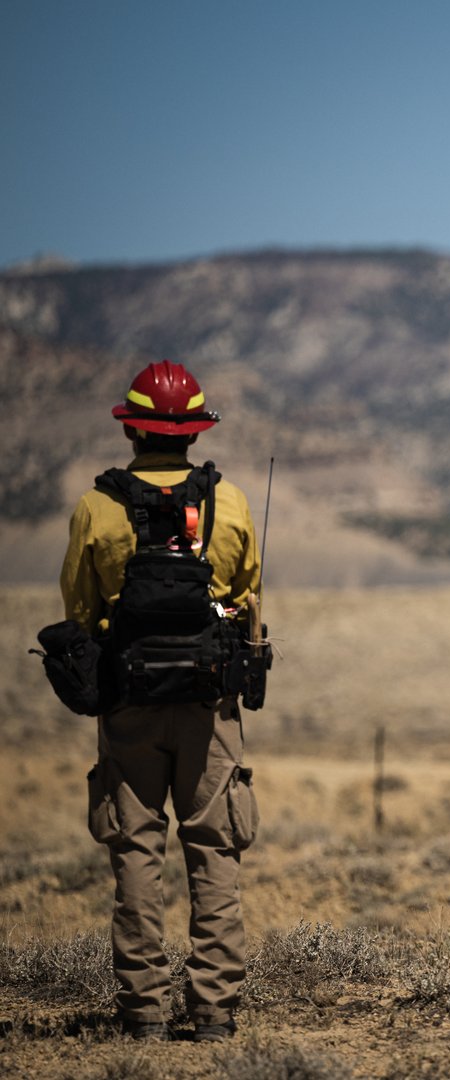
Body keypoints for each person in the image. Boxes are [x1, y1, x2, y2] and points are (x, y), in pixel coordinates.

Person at [61, 361, 261, 1040]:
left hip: (128, 706)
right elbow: (245, 594)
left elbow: (80, 610)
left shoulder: (97, 506)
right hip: (210, 707)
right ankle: (212, 1012)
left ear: (134, 429)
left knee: (136, 852)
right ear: (195, 432)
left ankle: (142, 1012)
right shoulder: (228, 502)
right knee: (214, 849)